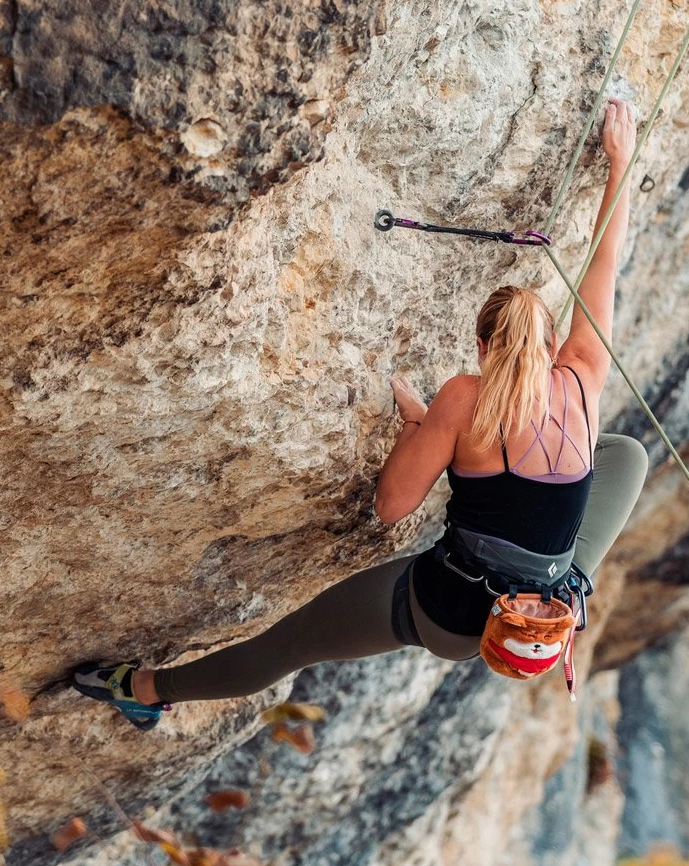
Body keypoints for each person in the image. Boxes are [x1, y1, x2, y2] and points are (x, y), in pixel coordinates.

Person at [73, 98, 649, 729]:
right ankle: (565, 577)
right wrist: (620, 161)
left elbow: (392, 506)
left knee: (290, 643)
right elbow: (605, 263)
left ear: (483, 348)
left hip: (452, 614)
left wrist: (419, 427)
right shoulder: (584, 375)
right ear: (551, 347)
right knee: (626, 454)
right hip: (536, 620)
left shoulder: (463, 398)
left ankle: (146, 689)